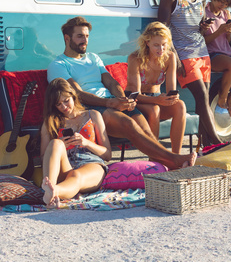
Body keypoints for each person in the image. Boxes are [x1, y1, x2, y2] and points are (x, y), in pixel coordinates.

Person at [47, 16, 196, 169]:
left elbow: (111, 82)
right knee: (129, 124)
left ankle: (162, 165)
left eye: (87, 36)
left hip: (111, 101)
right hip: (91, 107)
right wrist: (110, 103)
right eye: (80, 36)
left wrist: (122, 99)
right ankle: (175, 160)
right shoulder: (58, 64)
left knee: (145, 129)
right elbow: (77, 94)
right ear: (67, 38)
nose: (85, 40)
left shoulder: (93, 58)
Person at [158, 0, 217, 146]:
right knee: (201, 95)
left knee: (204, 99)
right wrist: (174, 55)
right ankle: (216, 140)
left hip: (201, 50)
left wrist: (204, 26)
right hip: (183, 53)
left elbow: (197, 24)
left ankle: (204, 144)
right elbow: (163, 29)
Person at [40, 78, 111, 207]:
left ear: (73, 96)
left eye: (66, 101)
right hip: (65, 164)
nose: (64, 107)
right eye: (58, 104)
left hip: (91, 163)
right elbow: (43, 157)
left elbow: (107, 155)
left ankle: (53, 192)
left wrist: (86, 143)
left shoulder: (93, 115)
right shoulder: (51, 121)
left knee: (75, 175)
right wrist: (62, 145)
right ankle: (49, 186)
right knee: (56, 143)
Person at [126, 21, 186, 154]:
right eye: (156, 45)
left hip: (157, 99)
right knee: (154, 110)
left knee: (180, 105)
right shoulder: (135, 58)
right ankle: (156, 157)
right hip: (137, 101)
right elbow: (135, 94)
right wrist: (158, 100)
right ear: (147, 42)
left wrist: (172, 97)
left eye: (164, 45)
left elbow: (171, 90)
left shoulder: (170, 57)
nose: (161, 49)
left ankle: (176, 156)